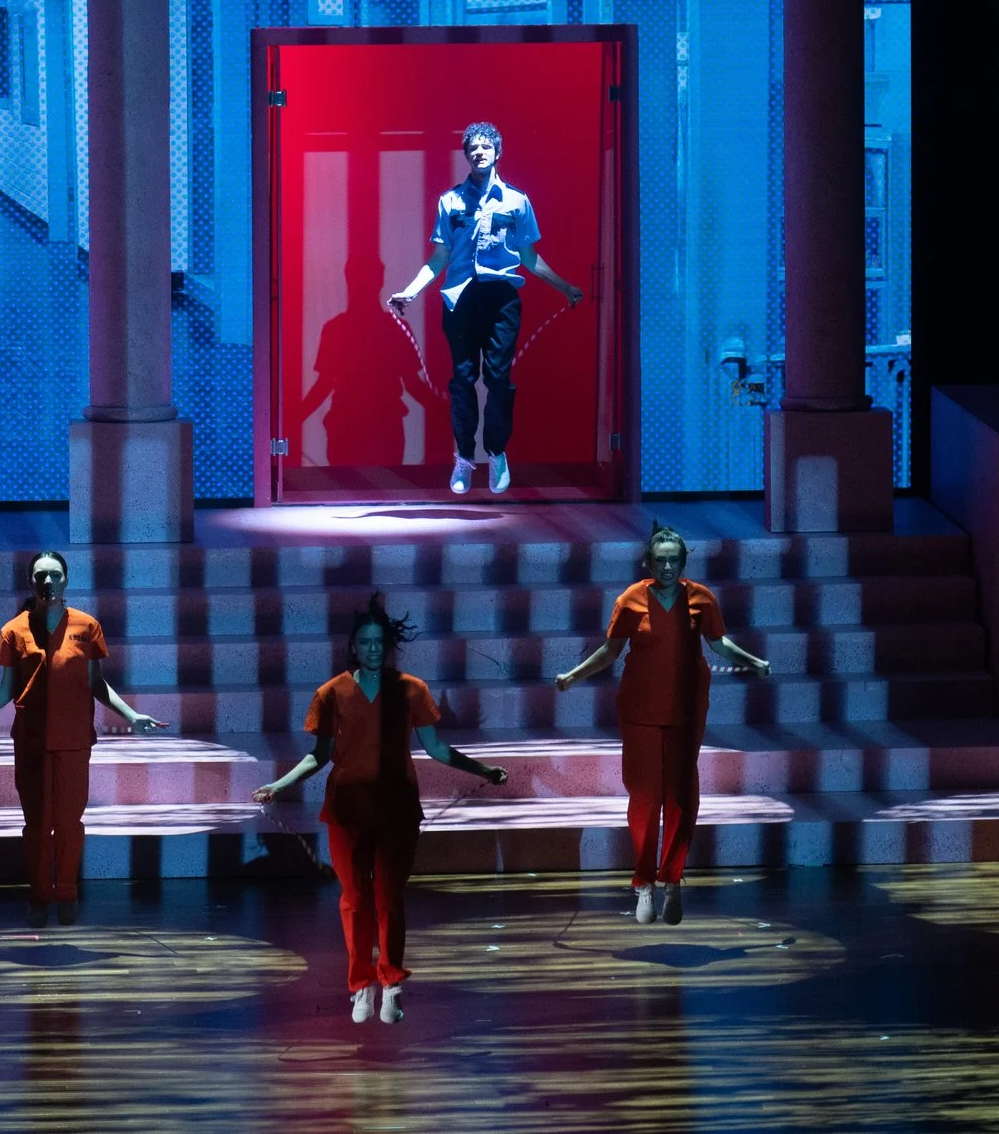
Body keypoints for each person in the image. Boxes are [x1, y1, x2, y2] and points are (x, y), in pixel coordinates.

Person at [252, 595, 507, 1024]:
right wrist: (278, 785)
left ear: (388, 645)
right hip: (348, 809)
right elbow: (319, 755)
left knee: (388, 898)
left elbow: (437, 748)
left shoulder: (411, 690)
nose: (372, 648)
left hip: (397, 809)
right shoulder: (331, 693)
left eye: (379, 642)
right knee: (354, 899)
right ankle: (360, 986)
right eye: (364, 641)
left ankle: (391, 983)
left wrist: (483, 768)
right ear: (353, 645)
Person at [553, 523, 771, 925]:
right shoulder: (631, 599)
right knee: (645, 797)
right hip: (640, 710)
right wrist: (573, 675)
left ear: (684, 562)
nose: (667, 566)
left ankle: (672, 880)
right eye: (660, 559)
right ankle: (643, 883)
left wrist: (753, 661)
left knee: (681, 797)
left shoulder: (701, 598)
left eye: (674, 559)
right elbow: (609, 651)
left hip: (686, 709)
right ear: (648, 562)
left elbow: (718, 643)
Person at [0, 550, 164, 926]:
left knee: (70, 821)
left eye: (55, 575)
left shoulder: (86, 626)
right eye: (41, 575)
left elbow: (96, 683)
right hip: (31, 741)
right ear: (31, 581)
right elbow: (5, 690)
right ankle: (40, 895)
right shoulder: (14, 630)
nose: (48, 582)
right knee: (36, 824)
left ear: (66, 580)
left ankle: (67, 892)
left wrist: (131, 715)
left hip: (74, 740)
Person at [388, 121, 585, 495]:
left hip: (501, 300)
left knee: (498, 379)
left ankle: (496, 452)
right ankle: (464, 457)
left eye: (484, 147)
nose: (478, 152)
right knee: (462, 381)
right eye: (472, 148)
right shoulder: (450, 202)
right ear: (466, 155)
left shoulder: (517, 201)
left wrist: (565, 288)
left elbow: (529, 257)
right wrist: (409, 292)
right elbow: (439, 257)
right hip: (460, 299)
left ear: (497, 152)